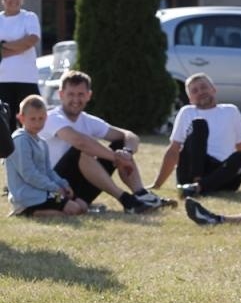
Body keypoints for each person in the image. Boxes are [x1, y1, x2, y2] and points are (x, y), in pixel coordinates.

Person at [40, 70, 164, 213]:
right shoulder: (52, 117)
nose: (76, 99)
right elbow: (80, 142)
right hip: (55, 183)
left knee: (121, 143)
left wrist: (127, 152)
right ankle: (126, 200)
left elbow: (129, 135)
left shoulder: (87, 120)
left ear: (89, 95)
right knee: (83, 149)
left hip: (78, 184)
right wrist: (116, 157)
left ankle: (142, 195)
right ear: (61, 95)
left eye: (80, 94)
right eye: (71, 94)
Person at [150, 74, 241, 198]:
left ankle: (197, 188)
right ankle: (195, 182)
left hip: (222, 174)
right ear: (190, 99)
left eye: (203, 87)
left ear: (214, 89)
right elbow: (174, 150)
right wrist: (157, 184)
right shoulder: (187, 112)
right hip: (191, 171)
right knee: (199, 124)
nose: (200, 92)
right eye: (194, 91)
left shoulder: (231, 111)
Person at [8, 95, 88, 217]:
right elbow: (29, 174)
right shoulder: (20, 140)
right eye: (33, 119)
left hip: (44, 191)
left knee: (81, 205)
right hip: (28, 196)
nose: (37, 123)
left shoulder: (42, 142)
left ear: (46, 118)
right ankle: (26, 211)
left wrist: (63, 185)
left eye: (41, 118)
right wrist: (54, 188)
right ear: (21, 118)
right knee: (72, 210)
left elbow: (48, 171)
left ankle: (50, 208)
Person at [0, 0, 42, 134]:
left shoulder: (29, 17)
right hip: (3, 81)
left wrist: (3, 45)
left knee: (32, 125)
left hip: (27, 80)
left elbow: (31, 41)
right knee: (5, 128)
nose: (14, 0)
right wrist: (20, 46)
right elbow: (24, 44)